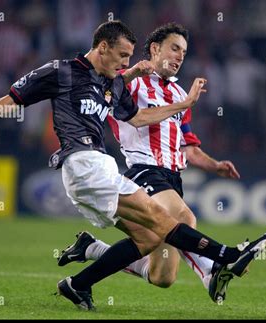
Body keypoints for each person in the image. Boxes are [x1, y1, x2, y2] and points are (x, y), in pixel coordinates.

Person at [0, 20, 266, 311]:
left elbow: (139, 117)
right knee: (165, 220)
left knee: (148, 239)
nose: (125, 63)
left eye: (129, 58)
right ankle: (228, 256)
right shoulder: (62, 71)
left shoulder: (112, 85)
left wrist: (184, 104)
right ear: (102, 47)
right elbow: (16, 96)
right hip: (84, 163)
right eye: (122, 55)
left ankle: (78, 284)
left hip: (94, 171)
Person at [58, 23, 249, 304]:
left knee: (163, 276)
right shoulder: (127, 81)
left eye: (184, 51)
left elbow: (189, 148)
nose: (180, 56)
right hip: (144, 171)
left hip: (173, 179)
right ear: (155, 49)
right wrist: (185, 104)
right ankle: (214, 269)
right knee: (185, 218)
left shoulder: (179, 93)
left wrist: (215, 165)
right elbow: (131, 116)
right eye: (174, 48)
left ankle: (88, 257)